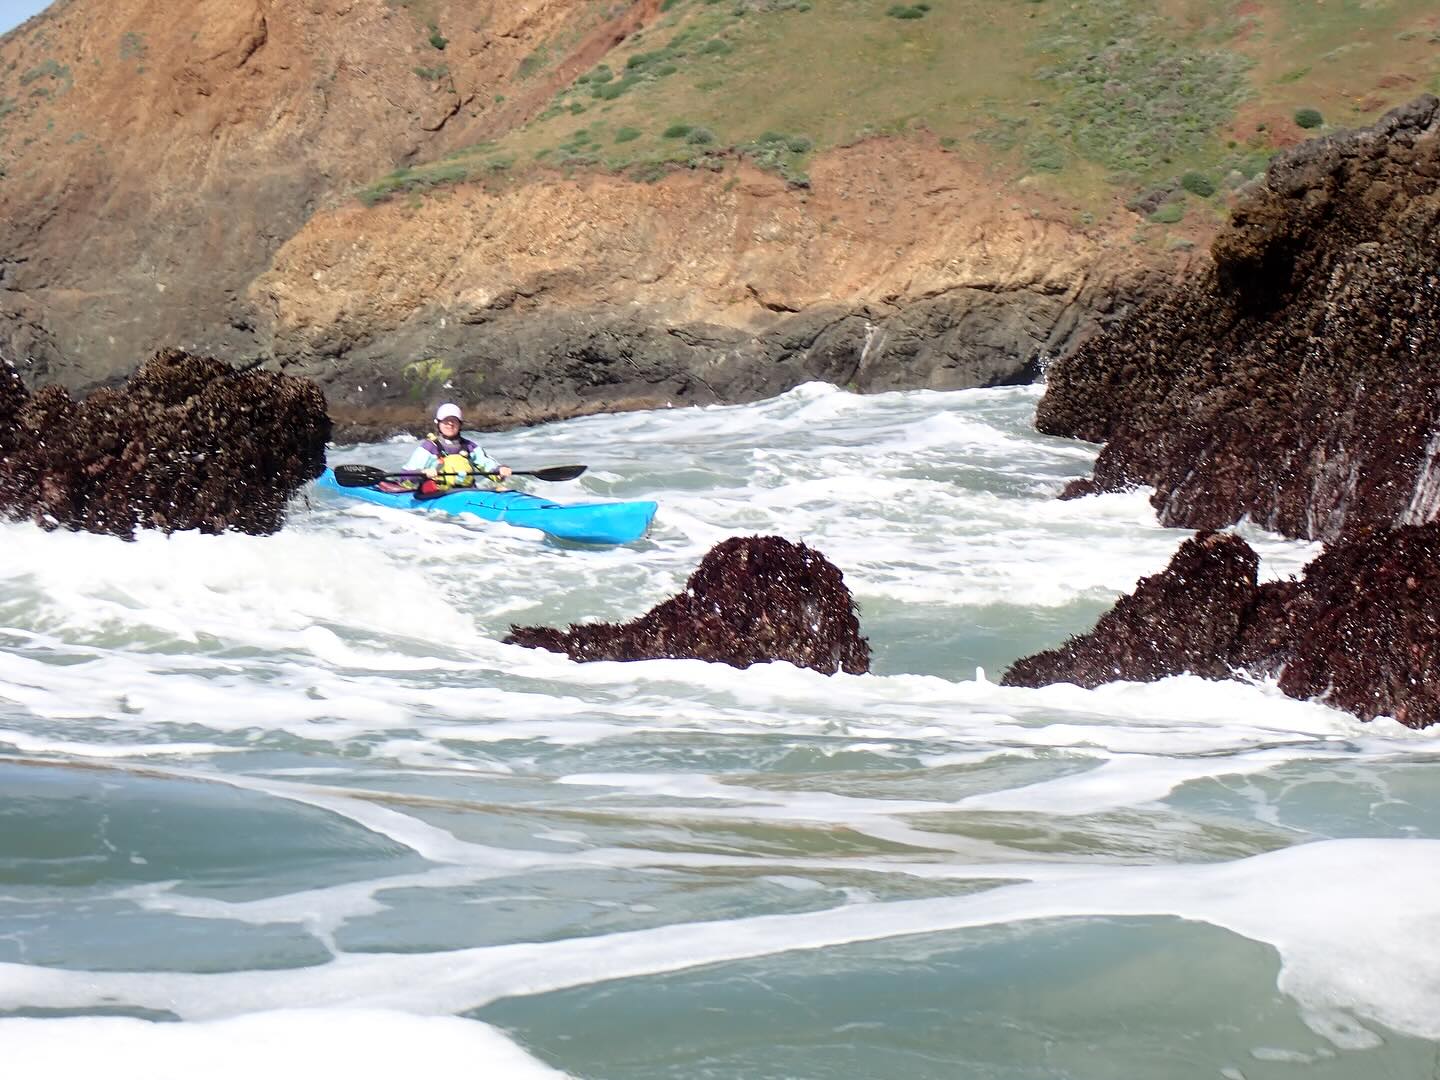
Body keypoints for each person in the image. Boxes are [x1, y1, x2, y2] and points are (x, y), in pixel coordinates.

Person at [401, 403, 512, 496]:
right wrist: (423, 472)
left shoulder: (469, 447)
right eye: (446, 421)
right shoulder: (429, 447)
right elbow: (405, 477)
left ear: (460, 424)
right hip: (437, 495)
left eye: (454, 421)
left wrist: (500, 470)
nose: (450, 424)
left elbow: (488, 465)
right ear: (438, 423)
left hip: (468, 493)